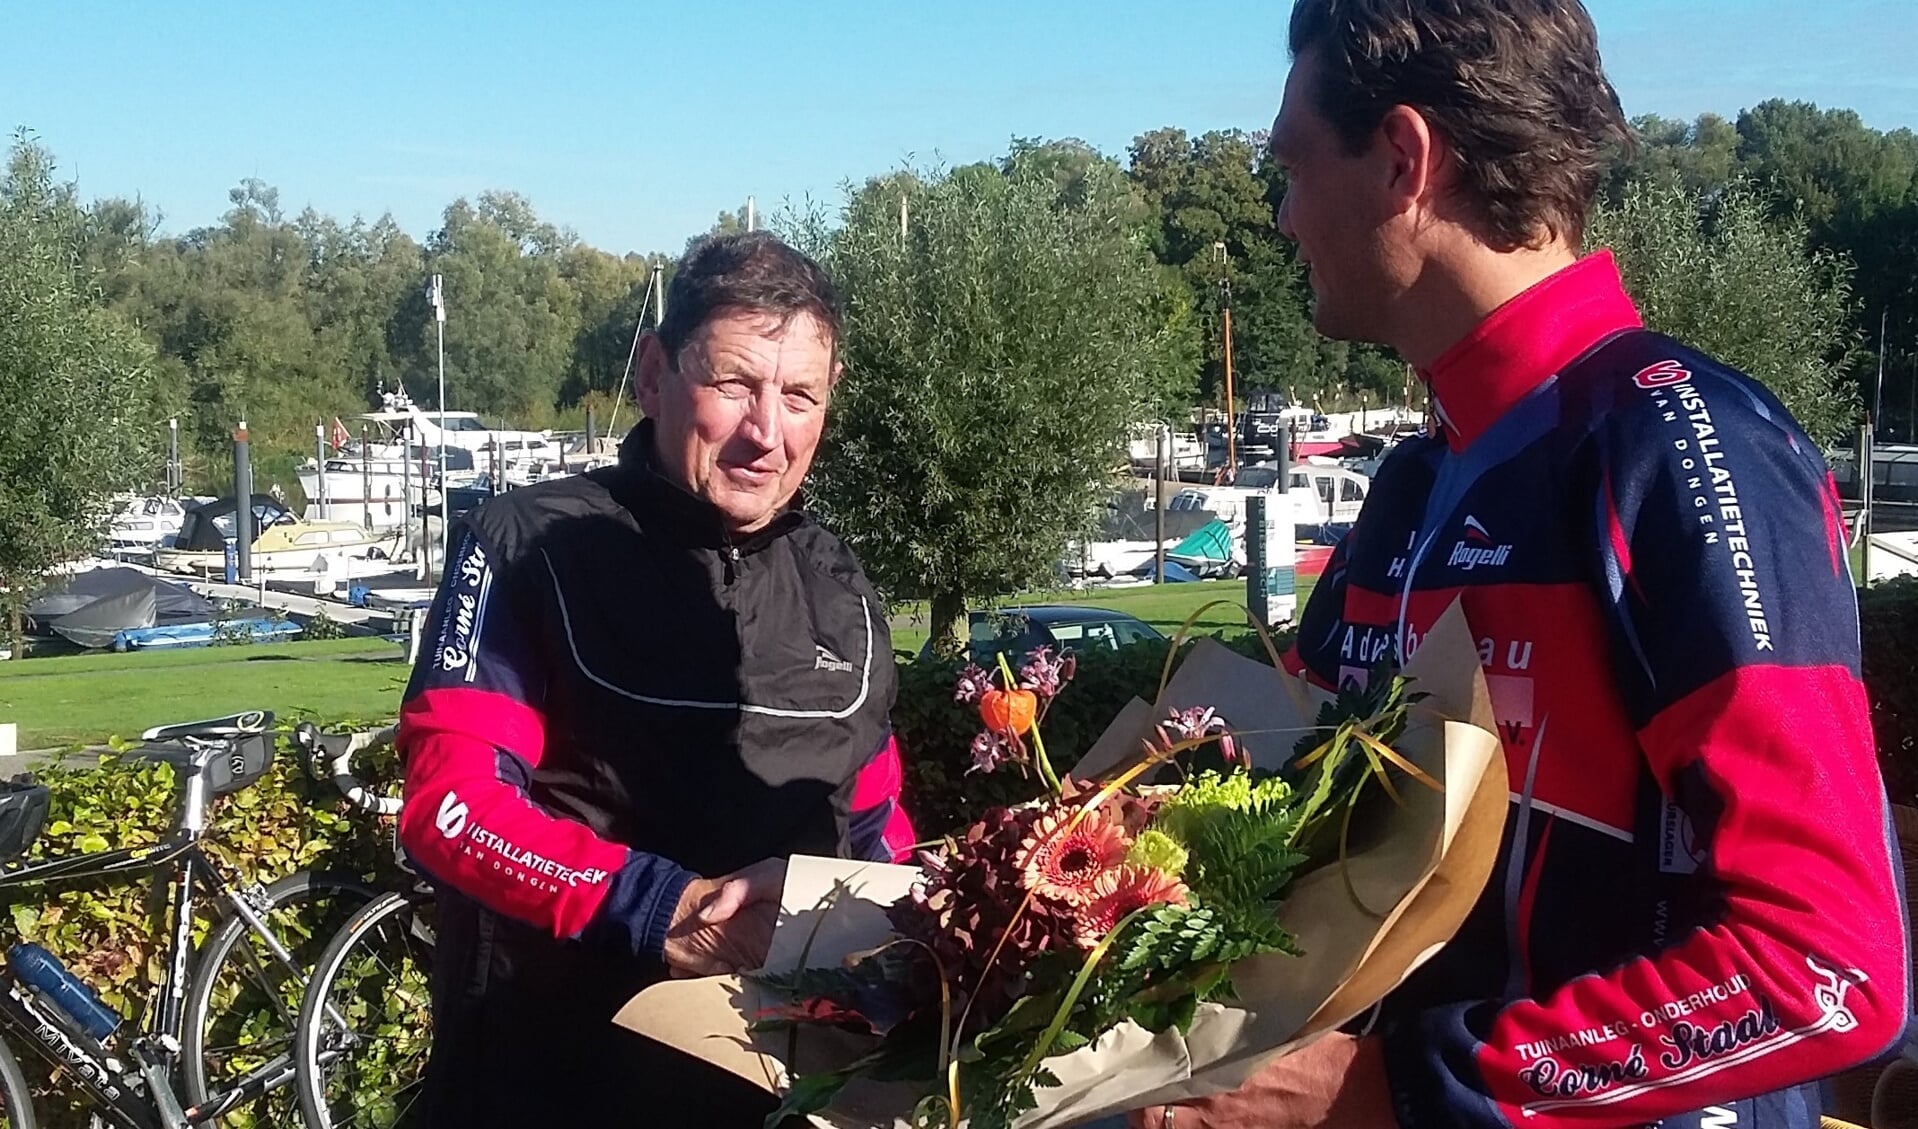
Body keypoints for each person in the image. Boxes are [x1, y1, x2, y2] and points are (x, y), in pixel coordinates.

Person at [1137, 2, 1909, 1126]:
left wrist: (1401, 1086)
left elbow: (1827, 967)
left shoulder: (1682, 448)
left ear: (1402, 159)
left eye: (1292, 171)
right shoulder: (1409, 486)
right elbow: (1286, 811)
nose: (1285, 219)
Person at [394, 231, 916, 1127]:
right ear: (652, 374)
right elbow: (452, 805)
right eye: (734, 384)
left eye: (799, 397)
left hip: (789, 1095)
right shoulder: (530, 545)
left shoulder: (842, 589)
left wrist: (942, 930)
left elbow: (880, 831)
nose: (767, 432)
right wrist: (663, 906)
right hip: (550, 1084)